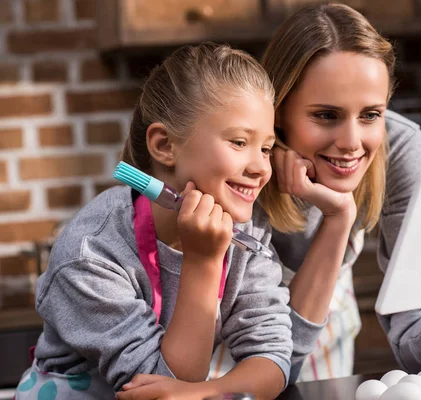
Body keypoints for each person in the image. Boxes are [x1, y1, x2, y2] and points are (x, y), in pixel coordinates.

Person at [117, 3, 421, 397]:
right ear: (278, 111)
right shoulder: (242, 172)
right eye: (325, 115)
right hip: (199, 334)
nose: (352, 143)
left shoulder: (396, 148)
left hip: (313, 332)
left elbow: (416, 351)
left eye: (371, 114)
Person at [15, 43, 296, 400]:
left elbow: (272, 357)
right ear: (164, 145)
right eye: (240, 142)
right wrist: (204, 261)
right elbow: (158, 388)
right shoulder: (89, 254)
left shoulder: (248, 232)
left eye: (266, 148)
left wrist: (208, 392)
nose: (260, 167)